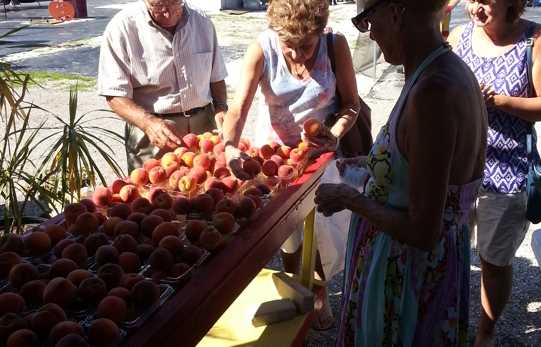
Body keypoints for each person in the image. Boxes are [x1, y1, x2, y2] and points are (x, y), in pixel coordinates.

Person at [314, 0, 488, 345]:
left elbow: (423, 230)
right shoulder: (448, 69)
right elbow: (423, 165)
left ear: (394, 13)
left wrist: (351, 199)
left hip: (407, 274)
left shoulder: (430, 94)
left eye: (366, 20)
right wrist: (371, 164)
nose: (371, 35)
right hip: (430, 265)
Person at [221, 0, 359, 331]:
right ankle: (295, 283)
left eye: (306, 46)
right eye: (289, 46)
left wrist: (335, 133)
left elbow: (351, 104)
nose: (297, 55)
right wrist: (229, 148)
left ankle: (317, 285)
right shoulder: (261, 49)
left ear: (320, 30)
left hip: (319, 154)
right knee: (287, 232)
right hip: (276, 157)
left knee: (323, 227)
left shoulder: (334, 44)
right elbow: (238, 109)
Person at [447, 1, 541, 346]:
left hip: (508, 173)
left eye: (486, 1)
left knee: (494, 261)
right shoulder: (458, 37)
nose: (475, 8)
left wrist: (497, 101)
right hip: (458, 169)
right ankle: (449, 318)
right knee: (450, 251)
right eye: (472, 0)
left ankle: (485, 331)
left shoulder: (535, 38)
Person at [97, 0, 228, 173]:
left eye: (175, 4)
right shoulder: (122, 27)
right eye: (158, 6)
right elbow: (114, 94)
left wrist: (221, 106)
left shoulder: (201, 21)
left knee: (210, 190)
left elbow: (216, 76)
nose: (168, 14)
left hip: (204, 126)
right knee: (157, 192)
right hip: (154, 133)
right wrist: (147, 123)